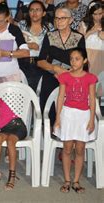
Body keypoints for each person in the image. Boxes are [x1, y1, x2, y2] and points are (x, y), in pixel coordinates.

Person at [54, 48, 97, 194]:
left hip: (83, 116)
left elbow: (92, 99)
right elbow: (60, 97)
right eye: (71, 58)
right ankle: (67, 180)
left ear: (84, 61)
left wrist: (92, 120)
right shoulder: (64, 76)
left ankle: (76, 181)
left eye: (77, 58)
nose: (73, 61)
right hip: (68, 115)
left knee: (79, 149)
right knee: (67, 149)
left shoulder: (90, 77)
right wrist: (58, 118)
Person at [37, 7, 86, 123]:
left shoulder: (78, 37)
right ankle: (49, 129)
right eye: (57, 18)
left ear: (71, 20)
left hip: (72, 76)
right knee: (48, 98)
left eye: (63, 18)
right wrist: (56, 69)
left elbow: (83, 62)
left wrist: (68, 73)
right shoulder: (50, 36)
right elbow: (40, 61)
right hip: (51, 75)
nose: (59, 21)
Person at [18, 0, 53, 90]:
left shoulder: (49, 27)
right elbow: (13, 43)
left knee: (39, 93)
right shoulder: (21, 25)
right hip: (23, 63)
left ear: (44, 13)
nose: (34, 13)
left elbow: (52, 47)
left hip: (41, 64)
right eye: (31, 10)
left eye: (38, 10)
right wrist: (28, 45)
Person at [80, 1, 103, 76]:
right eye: (95, 14)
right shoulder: (84, 24)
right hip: (87, 55)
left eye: (100, 13)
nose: (98, 17)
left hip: (101, 56)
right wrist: (91, 31)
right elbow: (79, 42)